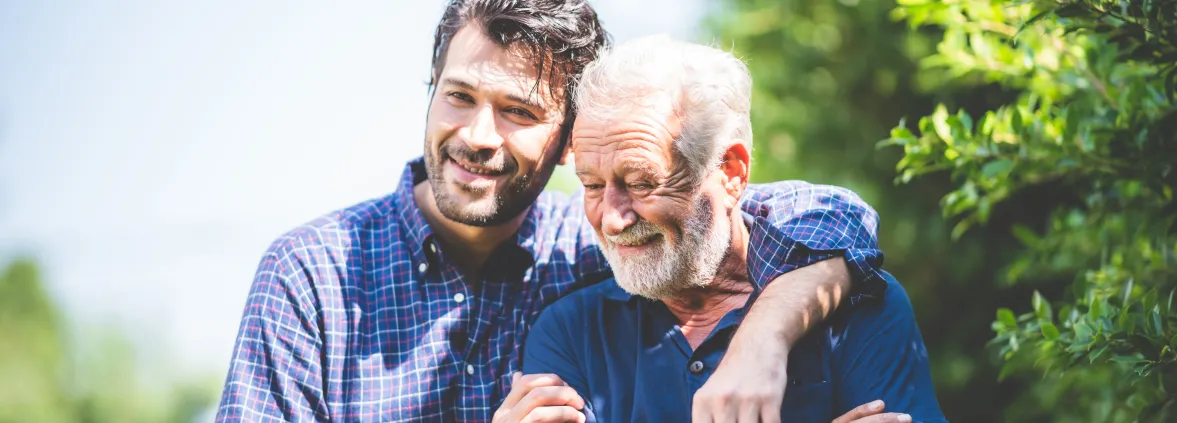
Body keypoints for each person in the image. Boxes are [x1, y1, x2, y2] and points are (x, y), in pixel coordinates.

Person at [215, 1, 886, 422]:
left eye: (518, 112)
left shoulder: (604, 244)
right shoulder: (311, 275)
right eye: (459, 96)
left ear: (571, 141)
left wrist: (763, 337)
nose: (478, 134)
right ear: (430, 91)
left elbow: (828, 217)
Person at [501, 36, 947, 423]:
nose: (614, 219)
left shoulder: (857, 307)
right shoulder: (570, 334)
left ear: (731, 171)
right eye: (592, 185)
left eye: (641, 183)